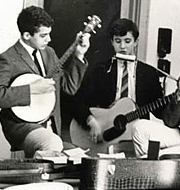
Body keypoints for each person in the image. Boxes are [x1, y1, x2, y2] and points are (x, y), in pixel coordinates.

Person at [0, 5, 90, 158]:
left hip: (50, 127)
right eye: (43, 35)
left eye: (49, 34)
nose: (49, 39)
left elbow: (69, 87)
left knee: (82, 159)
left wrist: (79, 55)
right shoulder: (8, 58)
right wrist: (31, 89)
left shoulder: (49, 53)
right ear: (27, 35)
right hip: (22, 127)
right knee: (52, 144)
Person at [71, 18, 180, 158]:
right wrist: (90, 121)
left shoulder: (149, 73)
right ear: (112, 42)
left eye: (127, 41)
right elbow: (77, 101)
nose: (122, 47)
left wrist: (176, 98)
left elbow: (161, 113)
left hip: (134, 137)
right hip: (105, 137)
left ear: (135, 42)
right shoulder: (101, 70)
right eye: (118, 41)